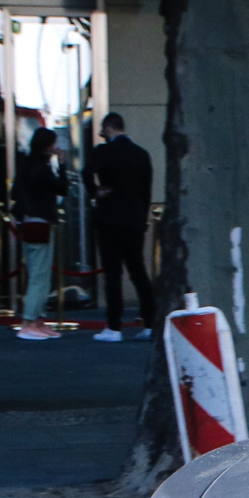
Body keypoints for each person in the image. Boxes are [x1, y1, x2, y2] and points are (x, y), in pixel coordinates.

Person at [83, 112, 155, 342]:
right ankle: (150, 322)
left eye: (103, 131)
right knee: (139, 273)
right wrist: (142, 219)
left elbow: (86, 172)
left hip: (110, 219)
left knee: (112, 275)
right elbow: (146, 192)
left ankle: (114, 327)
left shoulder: (104, 151)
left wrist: (95, 191)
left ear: (108, 128)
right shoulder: (141, 154)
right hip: (134, 220)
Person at [10, 127, 66, 340]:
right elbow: (62, 188)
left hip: (26, 221)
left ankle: (37, 320)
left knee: (36, 272)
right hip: (41, 221)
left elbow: (14, 192)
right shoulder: (42, 168)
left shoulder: (26, 164)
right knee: (40, 276)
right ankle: (30, 320)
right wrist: (61, 164)